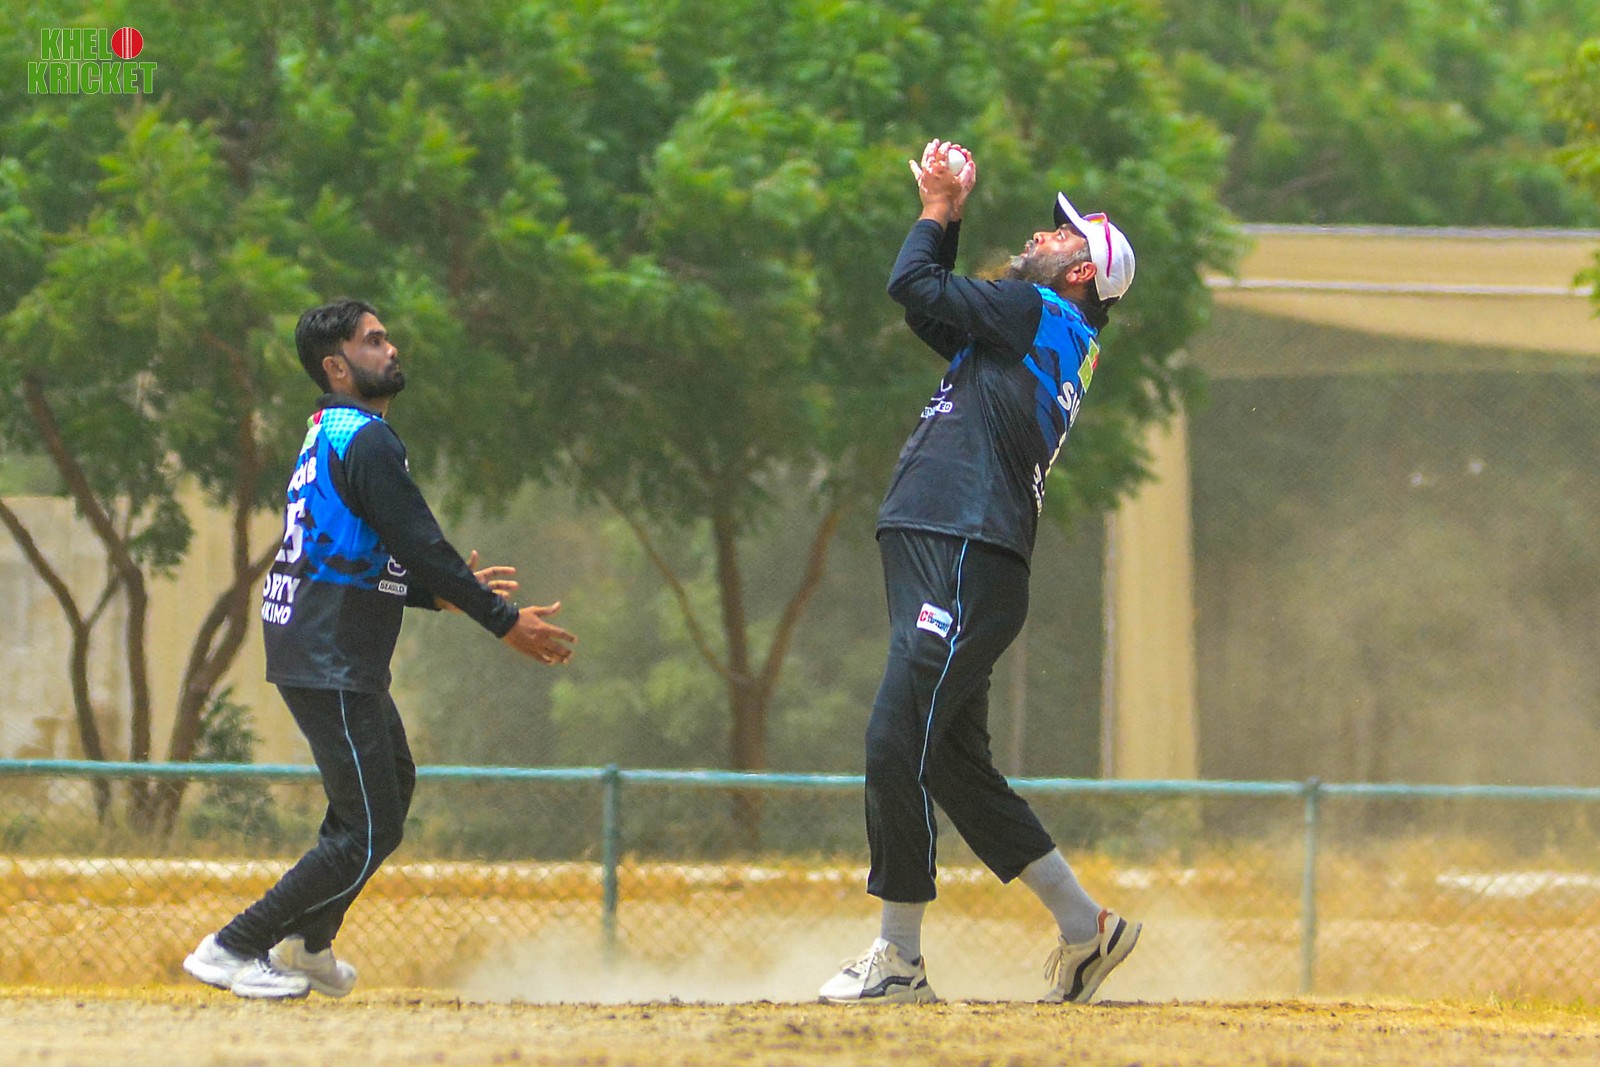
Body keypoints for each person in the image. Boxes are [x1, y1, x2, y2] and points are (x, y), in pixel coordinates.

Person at [818, 141, 1140, 1006]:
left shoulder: (1035, 312)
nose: (1042, 234)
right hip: (958, 547)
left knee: (895, 738)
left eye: (1061, 236)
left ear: (1080, 274)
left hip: (964, 544)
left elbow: (911, 284)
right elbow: (929, 310)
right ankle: (1086, 925)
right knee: (955, 765)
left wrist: (937, 210)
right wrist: (948, 220)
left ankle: (898, 957)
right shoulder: (1038, 327)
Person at [184, 299, 577, 999]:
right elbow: (420, 543)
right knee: (366, 827)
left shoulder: (331, 432)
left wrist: (437, 593)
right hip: (328, 650)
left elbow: (360, 554)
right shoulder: (365, 441)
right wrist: (500, 619)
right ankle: (231, 946)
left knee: (387, 793)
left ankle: (307, 943)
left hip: (327, 646)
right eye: (372, 341)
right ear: (337, 367)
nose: (389, 348)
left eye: (385, 337)